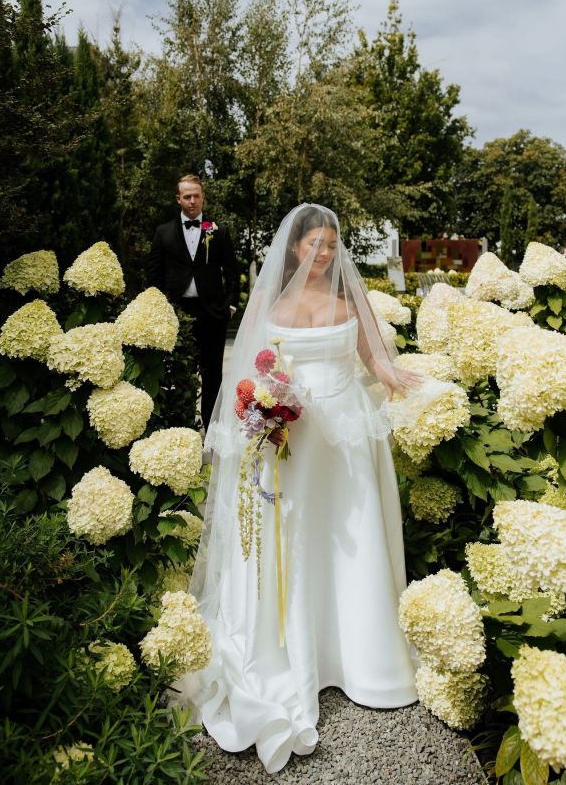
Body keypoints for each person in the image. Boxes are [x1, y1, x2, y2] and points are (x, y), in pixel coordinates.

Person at [171, 204, 422, 773]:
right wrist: (257, 414)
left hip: (349, 438)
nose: (325, 254)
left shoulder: (350, 299)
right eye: (315, 244)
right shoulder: (272, 300)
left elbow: (376, 360)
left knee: (352, 535)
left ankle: (365, 659)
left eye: (332, 245)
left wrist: (408, 384)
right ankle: (297, 652)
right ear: (294, 248)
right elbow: (247, 372)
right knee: (299, 538)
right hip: (292, 440)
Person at [146, 174, 240, 430]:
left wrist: (229, 306)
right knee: (181, 375)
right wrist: (159, 309)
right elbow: (154, 275)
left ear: (203, 197)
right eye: (187, 196)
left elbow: (232, 272)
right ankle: (182, 431)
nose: (192, 201)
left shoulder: (218, 231)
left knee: (212, 375)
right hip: (177, 314)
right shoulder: (163, 232)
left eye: (196, 195)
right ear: (178, 199)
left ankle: (212, 432)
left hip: (212, 314)